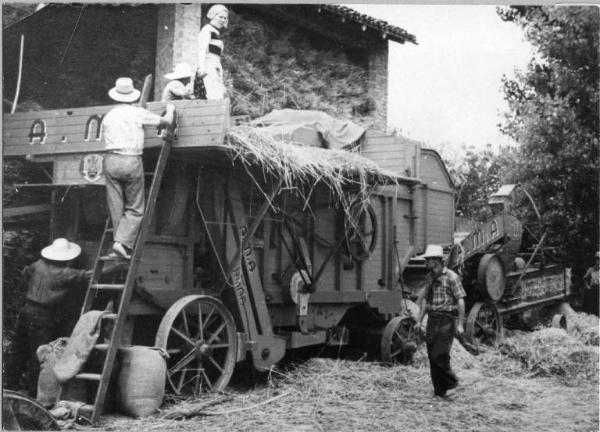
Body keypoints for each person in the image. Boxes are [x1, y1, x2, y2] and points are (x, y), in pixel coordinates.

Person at [4, 239, 91, 397]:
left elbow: (25, 272)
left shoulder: (37, 264)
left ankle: (9, 387)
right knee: (39, 354)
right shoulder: (64, 273)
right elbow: (87, 275)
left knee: (19, 350)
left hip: (26, 309)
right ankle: (34, 394)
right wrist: (117, 267)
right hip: (42, 315)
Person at [102, 77, 175, 258]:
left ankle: (118, 244)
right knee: (135, 207)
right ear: (131, 96)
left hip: (110, 160)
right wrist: (171, 109)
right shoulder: (137, 113)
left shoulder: (109, 116)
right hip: (131, 159)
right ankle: (122, 242)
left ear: (115, 96)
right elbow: (165, 121)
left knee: (116, 205)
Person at [416, 244, 467, 398]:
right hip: (433, 318)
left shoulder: (452, 277)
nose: (426, 263)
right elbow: (425, 300)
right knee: (432, 355)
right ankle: (439, 392)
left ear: (437, 260)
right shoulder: (430, 277)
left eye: (428, 260)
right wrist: (419, 320)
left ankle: (453, 382)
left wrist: (460, 324)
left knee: (440, 354)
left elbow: (461, 301)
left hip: (447, 318)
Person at [195, 4, 228, 100]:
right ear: (213, 16)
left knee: (219, 92)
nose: (223, 20)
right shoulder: (207, 30)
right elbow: (202, 50)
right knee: (212, 92)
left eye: (225, 18)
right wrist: (201, 68)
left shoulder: (216, 33)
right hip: (208, 65)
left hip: (216, 65)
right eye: (220, 17)